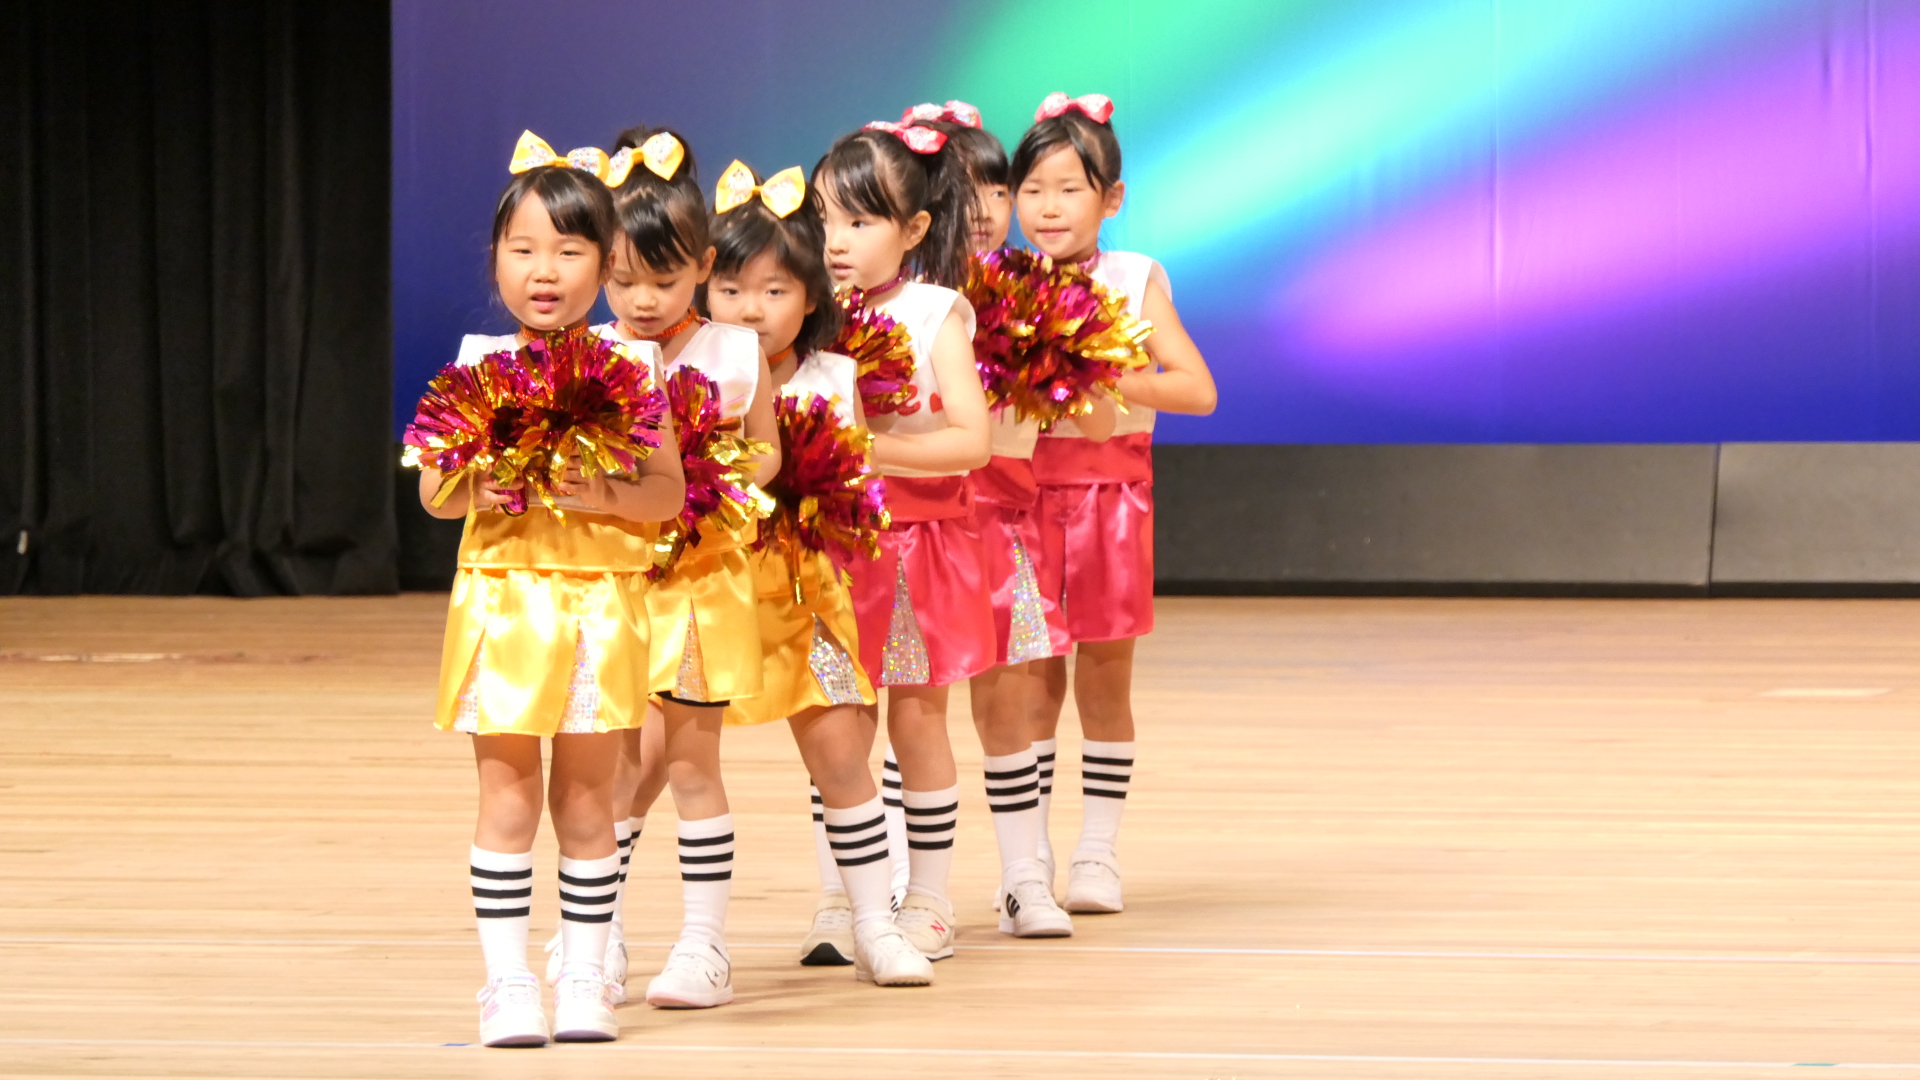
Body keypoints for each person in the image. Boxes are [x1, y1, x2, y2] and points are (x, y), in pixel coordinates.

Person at [418, 132, 685, 1047]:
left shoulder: (633, 367)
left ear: (605, 266)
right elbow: (434, 492)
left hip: (601, 605)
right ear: (496, 259)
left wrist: (603, 495)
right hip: (504, 602)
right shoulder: (476, 362)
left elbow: (668, 494)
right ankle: (507, 984)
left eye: (569, 251)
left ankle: (583, 976)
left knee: (586, 799)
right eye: (523, 249)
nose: (545, 271)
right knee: (506, 799)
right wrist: (476, 487)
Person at [706, 159, 934, 986]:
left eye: (775, 291)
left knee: (842, 758)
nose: (752, 309)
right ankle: (639, 941)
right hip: (702, 595)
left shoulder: (835, 377)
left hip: (808, 594)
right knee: (652, 766)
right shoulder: (686, 374)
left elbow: (857, 493)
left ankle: (874, 924)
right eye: (732, 290)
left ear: (811, 298)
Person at [1013, 93, 1218, 913]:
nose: (1049, 207)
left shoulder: (1132, 280)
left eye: (1070, 189)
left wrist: (1106, 376)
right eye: (1032, 189)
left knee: (1104, 681)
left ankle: (1097, 853)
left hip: (1111, 499)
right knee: (1029, 685)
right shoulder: (999, 284)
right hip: (1021, 499)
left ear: (1112, 198)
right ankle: (1028, 859)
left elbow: (1197, 389)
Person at [815, 120, 993, 960]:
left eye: (859, 221)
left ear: (914, 228)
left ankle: (927, 897)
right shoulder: (809, 310)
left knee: (917, 722)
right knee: (836, 729)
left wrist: (868, 450)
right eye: (823, 219)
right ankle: (845, 897)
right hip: (832, 546)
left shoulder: (933, 313)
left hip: (920, 547)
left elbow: (973, 441)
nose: (835, 241)